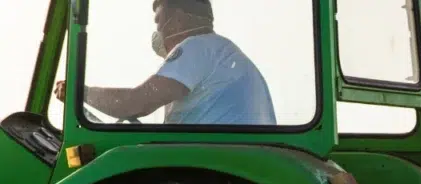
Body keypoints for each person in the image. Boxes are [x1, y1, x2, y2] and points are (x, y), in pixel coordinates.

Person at [54, 0, 276, 125]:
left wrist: (80, 92)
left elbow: (135, 103)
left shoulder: (197, 47)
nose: (157, 30)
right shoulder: (222, 52)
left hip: (210, 170)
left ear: (177, 19)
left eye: (158, 20)